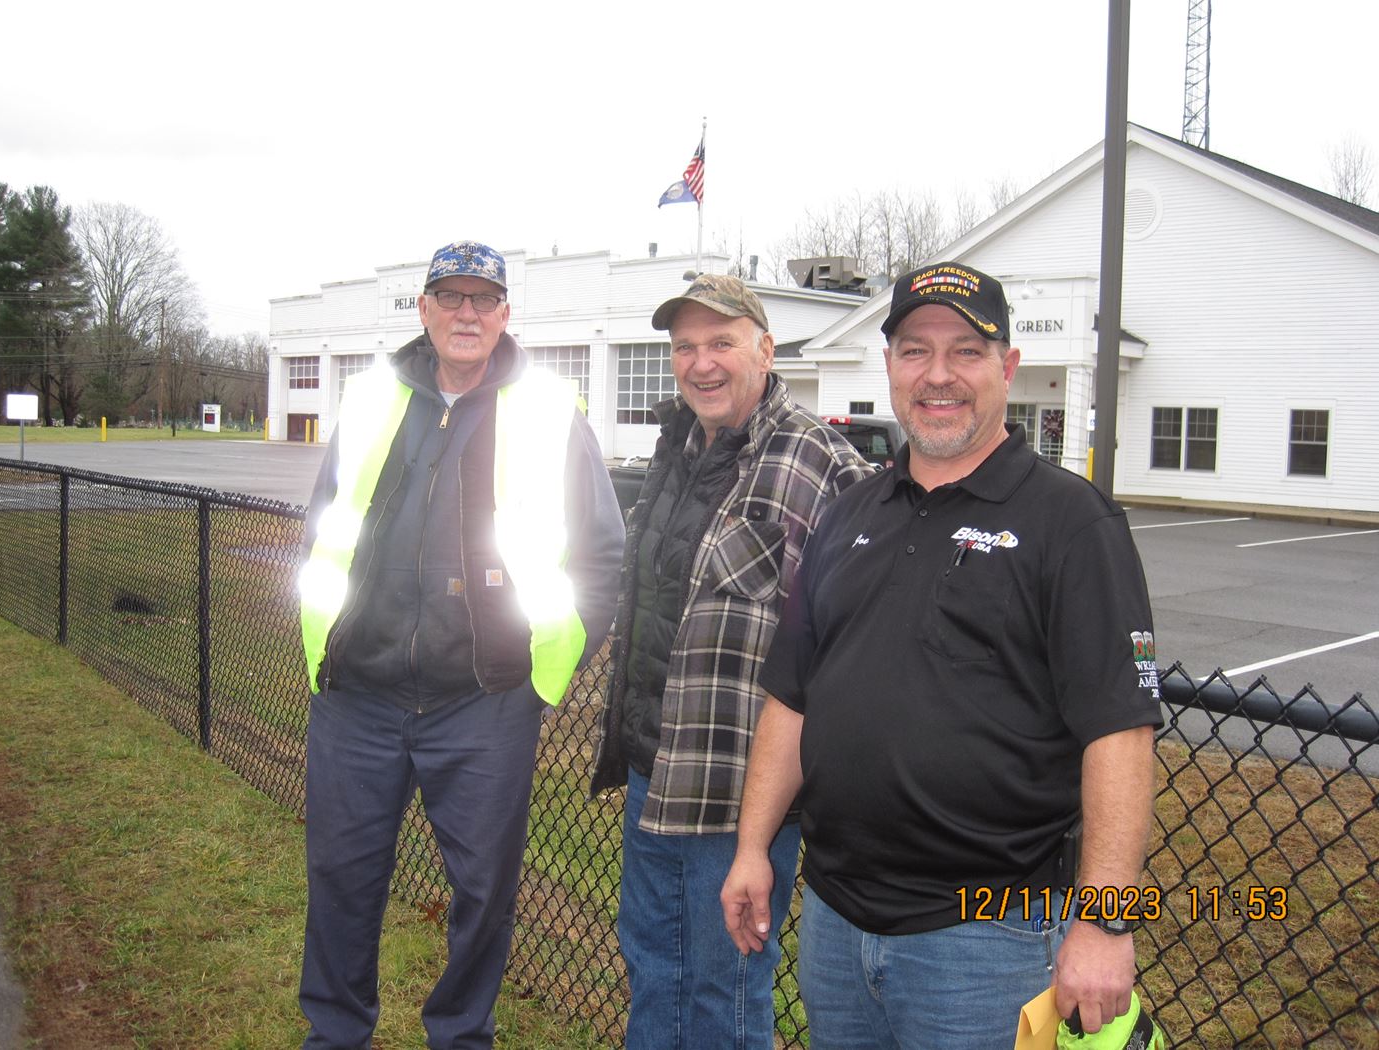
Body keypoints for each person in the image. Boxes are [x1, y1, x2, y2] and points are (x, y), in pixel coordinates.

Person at [721, 263, 1163, 1049]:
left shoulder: (1072, 524)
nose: (938, 375)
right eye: (915, 351)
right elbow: (792, 697)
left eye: (965, 351)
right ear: (888, 365)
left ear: (1007, 369)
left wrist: (1106, 924)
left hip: (987, 937)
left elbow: (1120, 734)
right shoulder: (850, 512)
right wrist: (754, 846)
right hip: (834, 918)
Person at [297, 240, 624, 1049]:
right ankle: (335, 1033)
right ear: (425, 309)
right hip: (358, 698)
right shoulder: (372, 400)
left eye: (484, 299)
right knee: (341, 882)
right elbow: (325, 522)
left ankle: (460, 1034)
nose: (467, 314)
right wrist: (330, 643)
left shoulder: (549, 411)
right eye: (451, 298)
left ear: (507, 314)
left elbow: (605, 554)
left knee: (482, 895)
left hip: (482, 703)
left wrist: (547, 666)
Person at [590, 274, 873, 1049]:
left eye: (721, 342)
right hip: (656, 766)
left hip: (742, 789)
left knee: (724, 984)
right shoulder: (678, 447)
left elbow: (865, 627)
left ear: (765, 349)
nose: (701, 363)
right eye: (685, 346)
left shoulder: (818, 461)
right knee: (652, 962)